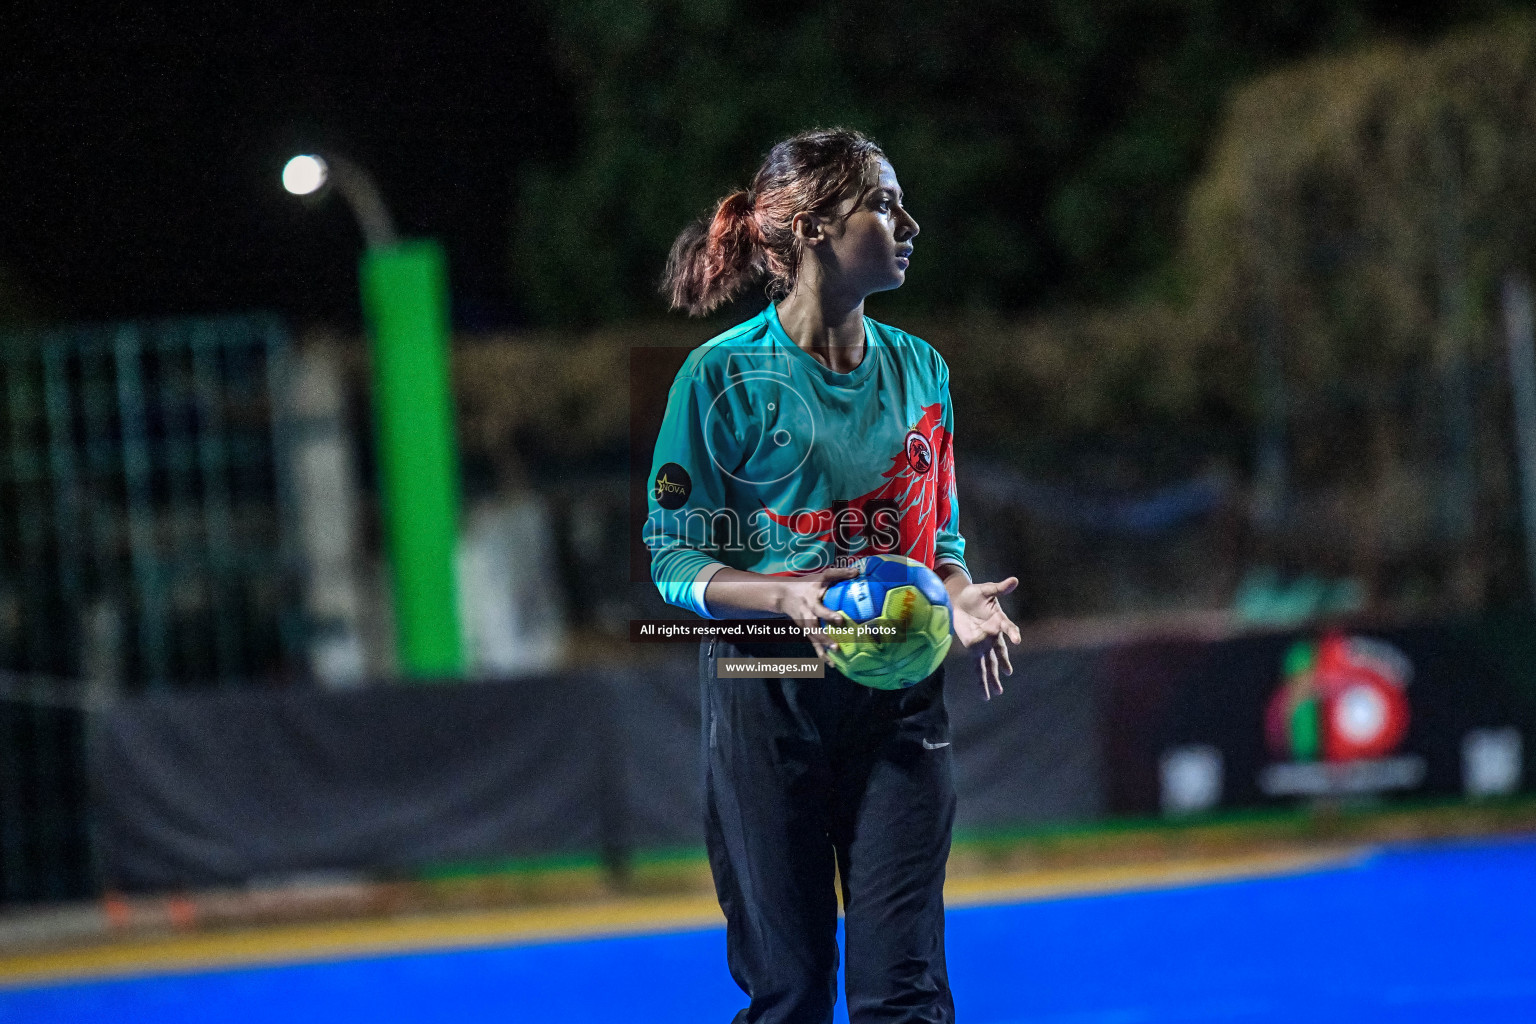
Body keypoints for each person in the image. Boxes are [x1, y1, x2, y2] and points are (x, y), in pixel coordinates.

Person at [644, 127, 1021, 1023]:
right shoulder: (719, 375)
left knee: (905, 993)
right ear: (812, 228)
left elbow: (941, 542)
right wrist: (782, 593)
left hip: (898, 697)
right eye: (883, 204)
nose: (909, 222)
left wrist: (961, 594)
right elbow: (672, 557)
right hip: (764, 691)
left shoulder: (922, 369)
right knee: (794, 993)